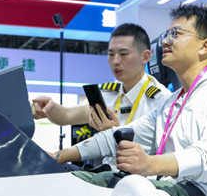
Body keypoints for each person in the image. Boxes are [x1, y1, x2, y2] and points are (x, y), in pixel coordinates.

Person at [54, 4, 207, 196]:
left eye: (176, 34)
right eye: (166, 34)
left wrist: (150, 164)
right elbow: (115, 137)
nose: (165, 42)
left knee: (103, 191)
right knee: (74, 180)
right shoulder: (173, 102)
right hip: (171, 191)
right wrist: (58, 157)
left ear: (204, 46)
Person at [30, 23, 168, 148]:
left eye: (123, 54)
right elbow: (67, 115)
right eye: (111, 54)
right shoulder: (107, 93)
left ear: (145, 57)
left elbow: (164, 154)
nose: (115, 61)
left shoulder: (162, 100)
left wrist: (113, 134)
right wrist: (49, 107)